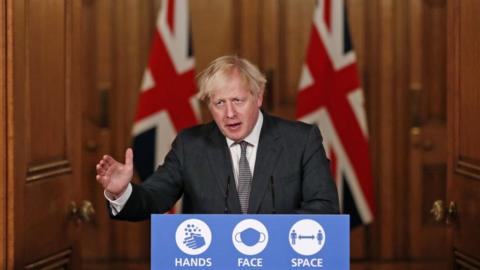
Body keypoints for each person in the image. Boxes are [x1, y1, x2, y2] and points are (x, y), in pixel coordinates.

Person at [96, 55, 339, 221]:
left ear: (258, 97)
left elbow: (325, 209)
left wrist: (265, 236)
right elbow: (154, 198)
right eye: (219, 103)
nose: (229, 113)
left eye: (237, 101)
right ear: (209, 105)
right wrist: (122, 192)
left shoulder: (301, 140)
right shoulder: (190, 145)